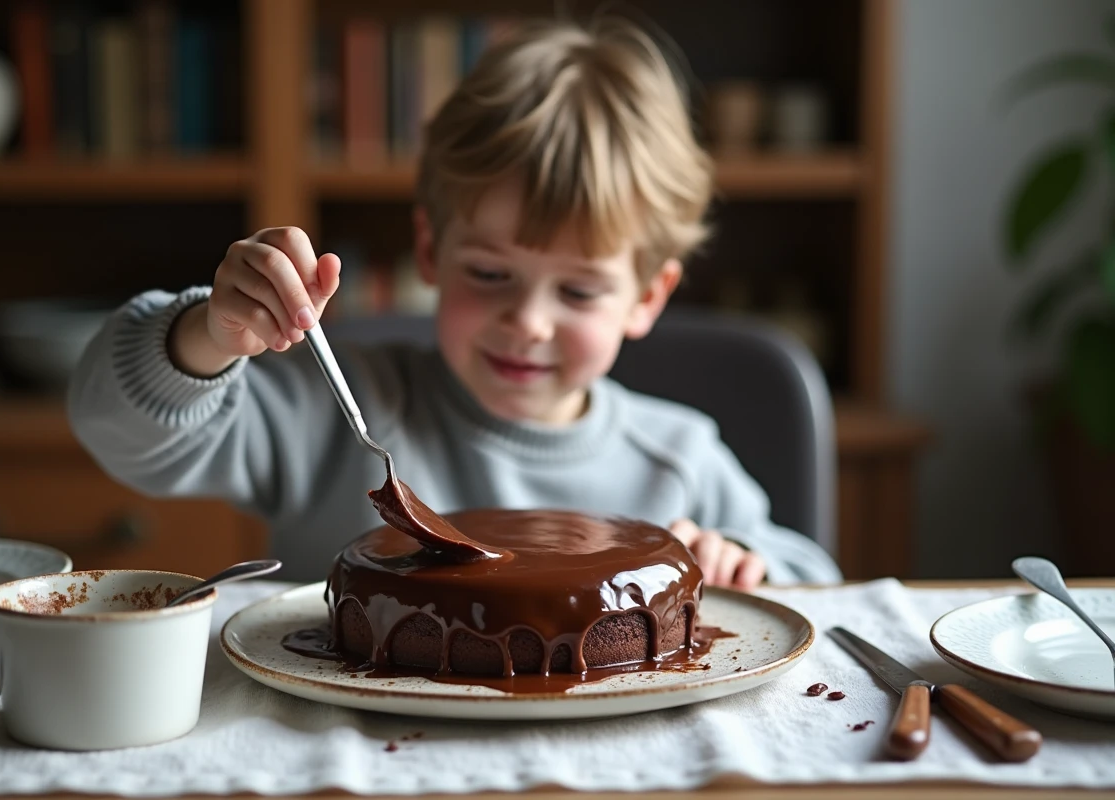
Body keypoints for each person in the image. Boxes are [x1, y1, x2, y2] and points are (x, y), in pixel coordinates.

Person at [68, 17, 841, 588]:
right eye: (491, 274)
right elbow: (121, 434)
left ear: (647, 297)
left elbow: (819, 583)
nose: (528, 322)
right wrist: (208, 336)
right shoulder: (340, 414)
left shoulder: (679, 462)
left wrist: (748, 564)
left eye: (577, 290)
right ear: (432, 252)